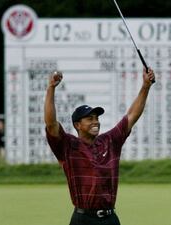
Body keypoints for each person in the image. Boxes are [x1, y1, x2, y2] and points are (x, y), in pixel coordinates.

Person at [44, 69, 155, 225]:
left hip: (110, 218)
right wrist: (51, 88)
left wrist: (145, 86)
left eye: (96, 118)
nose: (95, 121)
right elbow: (50, 124)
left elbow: (131, 116)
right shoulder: (68, 145)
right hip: (82, 219)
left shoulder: (110, 140)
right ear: (77, 125)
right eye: (89, 119)